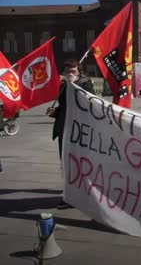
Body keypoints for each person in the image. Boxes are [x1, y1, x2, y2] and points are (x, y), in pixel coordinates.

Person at [46, 59, 95, 210]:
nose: (70, 74)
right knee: (67, 165)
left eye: (73, 71)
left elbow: (92, 103)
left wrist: (74, 87)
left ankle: (79, 195)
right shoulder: (63, 85)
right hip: (64, 130)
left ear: (79, 71)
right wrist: (54, 112)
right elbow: (63, 107)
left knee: (79, 164)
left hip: (78, 131)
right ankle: (72, 195)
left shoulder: (85, 84)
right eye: (67, 71)